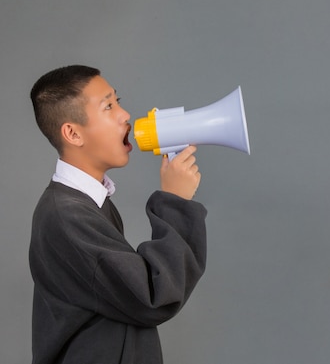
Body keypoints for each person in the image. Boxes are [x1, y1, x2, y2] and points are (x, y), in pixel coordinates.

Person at [28, 65, 206, 364]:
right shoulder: (68, 217)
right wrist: (175, 202)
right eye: (108, 106)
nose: (125, 115)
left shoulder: (87, 203)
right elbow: (153, 297)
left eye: (118, 101)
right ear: (72, 133)